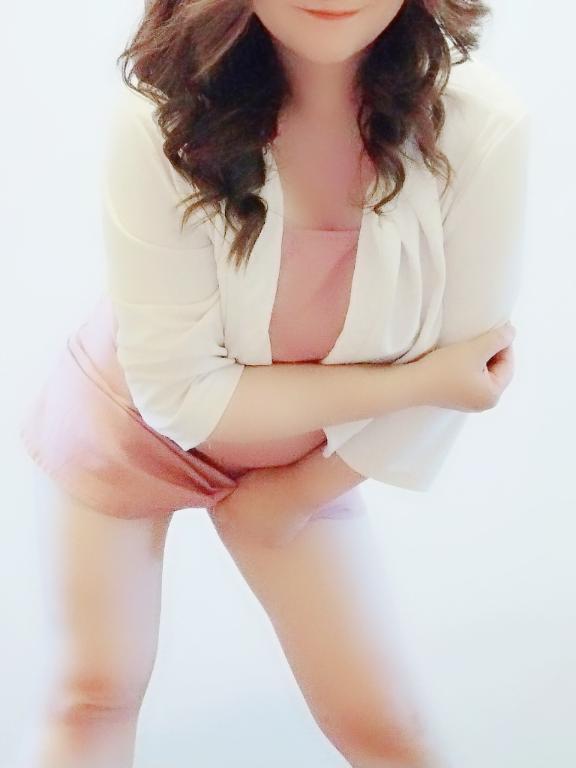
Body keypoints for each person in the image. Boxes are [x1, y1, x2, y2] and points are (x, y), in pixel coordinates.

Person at [16, 1, 530, 766]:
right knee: (93, 692)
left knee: (387, 727)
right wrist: (412, 383)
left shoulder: (482, 126)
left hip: (307, 457)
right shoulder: (157, 114)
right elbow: (179, 395)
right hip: (129, 426)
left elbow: (472, 362)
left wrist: (297, 493)